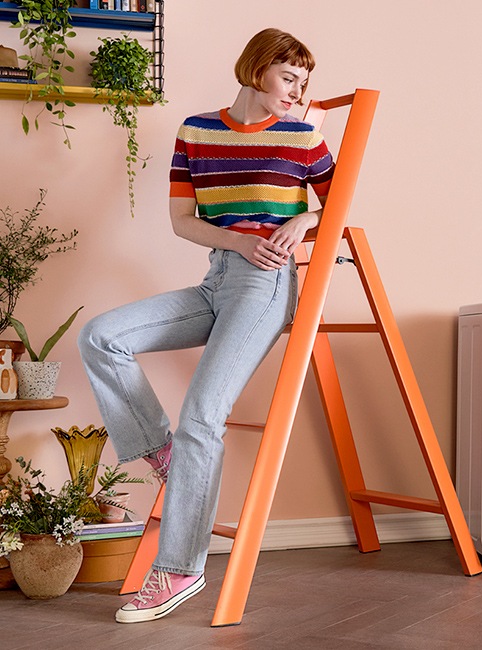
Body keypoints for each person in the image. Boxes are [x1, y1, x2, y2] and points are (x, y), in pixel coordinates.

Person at [78, 28, 334, 624]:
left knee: (203, 416)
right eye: (288, 77)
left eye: (304, 82)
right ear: (256, 69)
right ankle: (158, 450)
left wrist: (302, 225)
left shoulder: (302, 135)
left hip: (266, 284)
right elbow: (182, 220)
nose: (297, 91)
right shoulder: (197, 129)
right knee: (101, 335)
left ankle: (182, 568)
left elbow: (339, 201)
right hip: (218, 274)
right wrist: (235, 243)